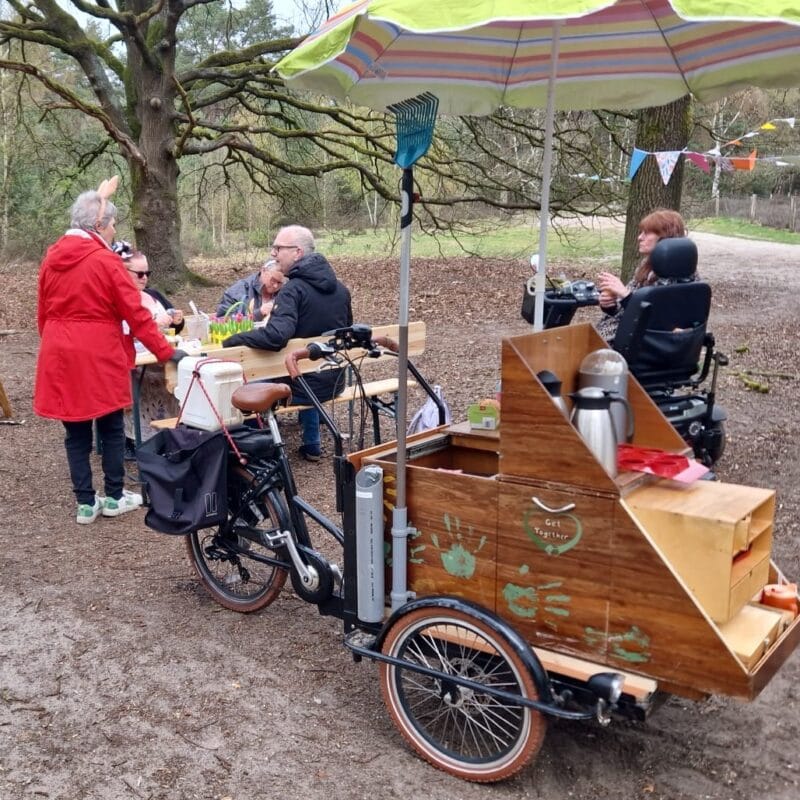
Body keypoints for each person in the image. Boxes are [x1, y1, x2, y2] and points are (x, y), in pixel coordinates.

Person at [33, 178, 184, 524]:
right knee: (111, 425)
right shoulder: (106, 261)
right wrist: (166, 352)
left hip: (60, 351)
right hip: (99, 352)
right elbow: (137, 315)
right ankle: (114, 496)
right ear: (99, 225)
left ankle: (86, 504)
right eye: (113, 223)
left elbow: (43, 313)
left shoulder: (51, 258)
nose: (115, 230)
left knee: (75, 431)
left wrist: (56, 345)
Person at [222, 225, 352, 462]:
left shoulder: (293, 289)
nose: (273, 253)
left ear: (297, 252)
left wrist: (234, 340)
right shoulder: (341, 290)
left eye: (278, 248)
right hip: (335, 381)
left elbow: (276, 337)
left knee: (248, 381)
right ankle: (310, 443)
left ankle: (256, 448)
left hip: (302, 386)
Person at [595, 209, 694, 344]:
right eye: (641, 232)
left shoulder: (681, 277)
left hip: (634, 346)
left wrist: (625, 295)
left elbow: (660, 323)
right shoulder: (647, 266)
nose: (639, 237)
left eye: (646, 233)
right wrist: (610, 304)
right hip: (611, 337)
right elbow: (626, 308)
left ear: (665, 237)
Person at [121, 250, 184, 454]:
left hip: (162, 355)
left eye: (147, 273)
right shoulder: (120, 300)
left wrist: (177, 321)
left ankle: (176, 431)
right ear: (123, 272)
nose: (144, 278)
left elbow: (175, 329)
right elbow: (125, 332)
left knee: (181, 372)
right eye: (139, 274)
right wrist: (154, 324)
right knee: (146, 379)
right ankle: (136, 437)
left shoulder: (154, 295)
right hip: (136, 361)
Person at [216, 259, 286, 321]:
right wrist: (259, 314)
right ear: (263, 270)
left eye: (280, 283)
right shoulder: (237, 291)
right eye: (273, 280)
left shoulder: (285, 291)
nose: (275, 286)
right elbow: (222, 321)